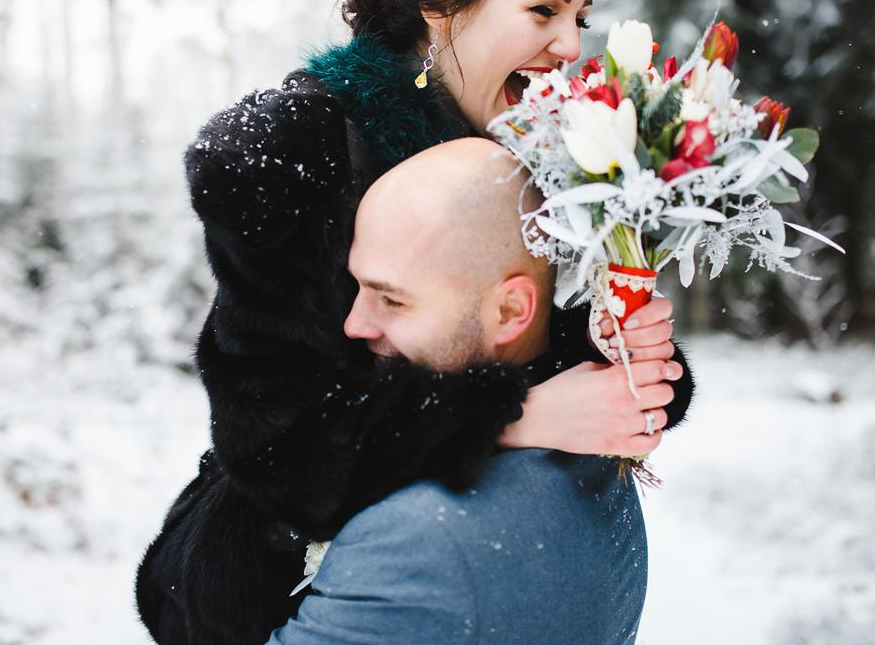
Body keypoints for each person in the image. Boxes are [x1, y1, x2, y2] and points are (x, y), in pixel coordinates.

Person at [136, 0, 694, 645]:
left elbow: (504, 332)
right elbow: (279, 443)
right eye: (544, 9)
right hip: (275, 577)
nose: (571, 44)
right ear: (438, 4)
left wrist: (620, 355)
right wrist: (521, 413)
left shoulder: (533, 147)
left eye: (582, 15)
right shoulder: (293, 152)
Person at [269, 136, 666, 645]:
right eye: (358, 288)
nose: (353, 324)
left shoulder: (417, 539)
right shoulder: (591, 446)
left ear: (509, 311)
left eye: (392, 300)